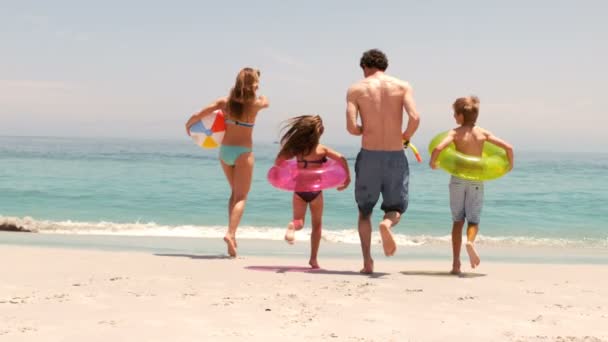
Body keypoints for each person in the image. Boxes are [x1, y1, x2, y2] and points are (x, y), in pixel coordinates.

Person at [345, 49, 421, 274]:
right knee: (396, 207)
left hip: (369, 153)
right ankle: (386, 225)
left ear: (364, 67)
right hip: (395, 153)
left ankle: (367, 261)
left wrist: (362, 129)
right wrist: (405, 136)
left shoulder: (356, 89)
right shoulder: (402, 86)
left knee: (364, 211)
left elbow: (351, 127)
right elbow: (415, 118)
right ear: (384, 66)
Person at [185, 68, 269, 257]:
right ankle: (230, 234)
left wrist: (188, 125)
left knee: (234, 194)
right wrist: (257, 87)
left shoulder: (225, 102)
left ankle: (232, 235)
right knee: (241, 197)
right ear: (253, 85)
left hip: (225, 152)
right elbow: (266, 101)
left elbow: (199, 113)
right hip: (243, 154)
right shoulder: (256, 104)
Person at [429, 95, 514, 274]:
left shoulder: (454, 133)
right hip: (476, 180)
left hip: (458, 179)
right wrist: (509, 166)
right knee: (473, 220)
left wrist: (433, 163)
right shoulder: (482, 133)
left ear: (460, 116)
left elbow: (438, 148)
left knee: (457, 221)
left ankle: (455, 264)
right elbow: (509, 147)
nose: (453, 117)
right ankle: (470, 242)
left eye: (454, 114)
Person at [275, 115, 351, 269]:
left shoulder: (297, 150)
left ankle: (292, 226)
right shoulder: (321, 149)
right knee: (317, 225)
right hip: (315, 192)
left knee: (300, 222)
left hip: (299, 189)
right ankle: (313, 259)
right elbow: (342, 159)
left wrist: (284, 173)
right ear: (320, 132)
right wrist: (347, 178)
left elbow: (279, 160)